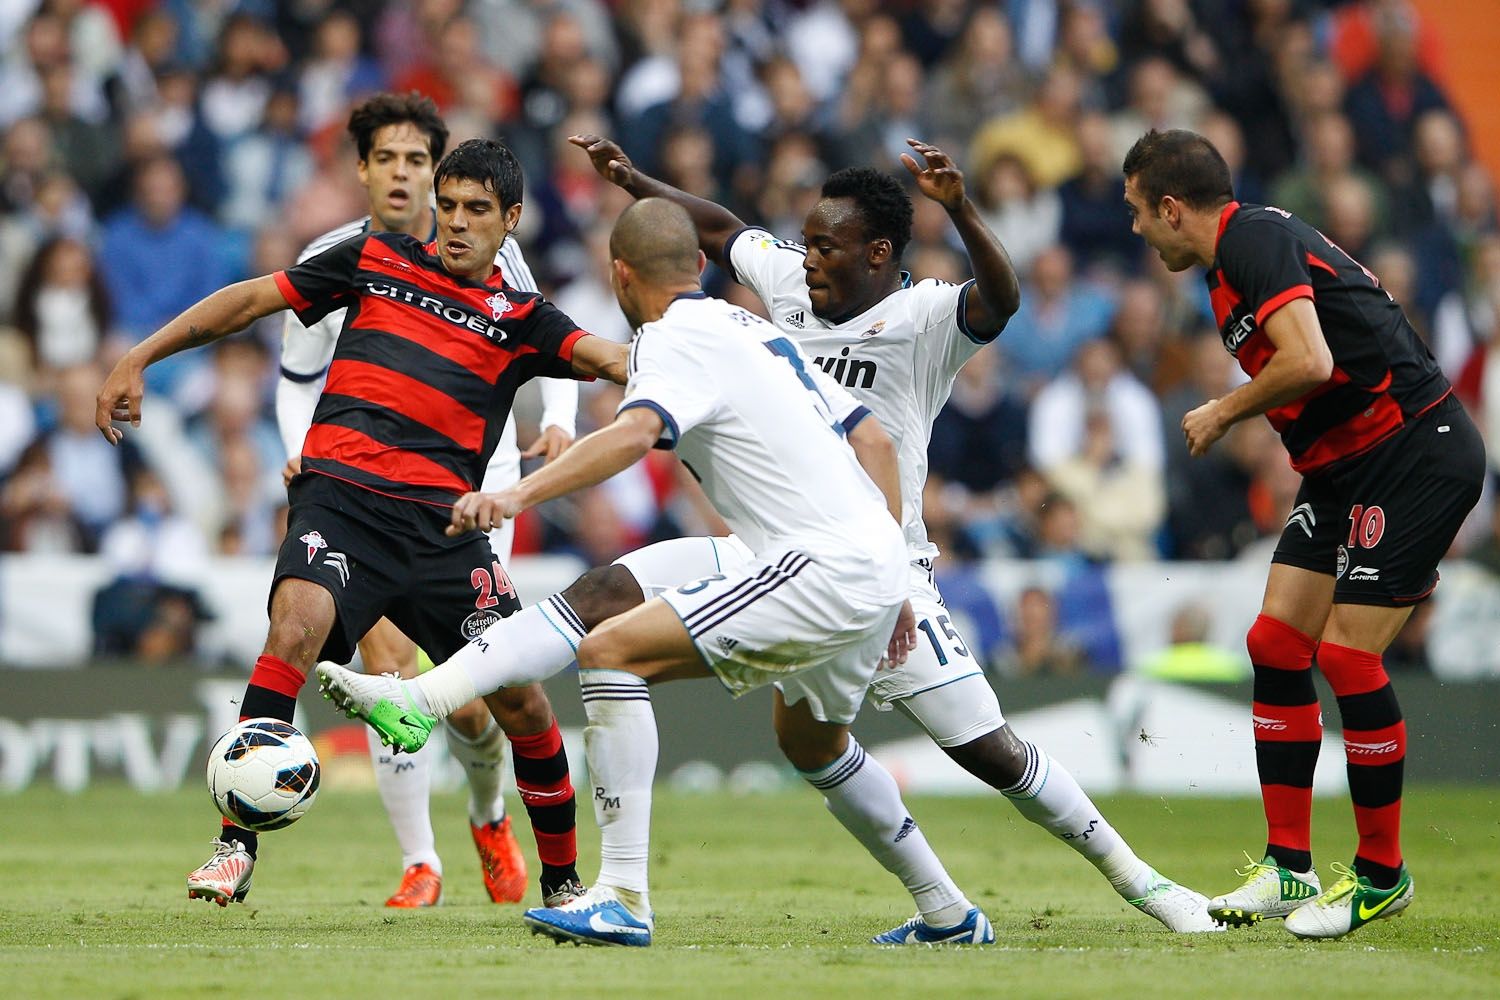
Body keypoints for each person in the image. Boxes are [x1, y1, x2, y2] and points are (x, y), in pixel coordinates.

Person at [326, 135, 1221, 935]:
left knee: (983, 747)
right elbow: (733, 250)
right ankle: (425, 700)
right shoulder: (764, 307)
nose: (808, 260)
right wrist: (632, 179)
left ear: (879, 253)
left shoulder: (916, 319)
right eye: (807, 244)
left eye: (828, 247)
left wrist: (514, 496)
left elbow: (993, 307)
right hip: (783, 546)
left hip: (856, 561)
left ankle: (1143, 881)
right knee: (711, 674)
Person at [320, 197, 996, 947]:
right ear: (699, 265)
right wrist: (896, 573)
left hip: (820, 565)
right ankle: (949, 912)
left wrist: (515, 495)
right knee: (789, 727)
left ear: (619, 274)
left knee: (610, 651)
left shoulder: (671, 338)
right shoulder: (749, 326)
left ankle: (622, 895)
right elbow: (873, 438)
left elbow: (636, 432)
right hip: (859, 561)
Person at [95, 137, 629, 910]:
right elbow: (250, 301)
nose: (457, 222)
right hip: (340, 505)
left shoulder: (522, 317)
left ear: (511, 218)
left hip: (444, 535)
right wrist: (140, 356)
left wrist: (697, 369)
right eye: (449, 205)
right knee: (293, 628)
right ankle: (234, 850)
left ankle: (563, 882)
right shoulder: (374, 258)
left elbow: (607, 358)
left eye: (477, 209)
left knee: (522, 705)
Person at [1122, 128, 1486, 939]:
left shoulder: (1253, 239)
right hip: (1345, 465)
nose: (1136, 229)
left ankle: (1382, 875)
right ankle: (1290, 867)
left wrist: (1223, 411)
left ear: (1172, 208)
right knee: (1277, 642)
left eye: (1138, 211)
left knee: (1349, 656)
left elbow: (1310, 360)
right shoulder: (1224, 271)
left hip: (1414, 448)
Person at [276, 92, 578, 908]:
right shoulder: (342, 256)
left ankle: (487, 813)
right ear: (363, 170)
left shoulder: (494, 251)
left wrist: (557, 420)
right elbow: (297, 376)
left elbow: (549, 337)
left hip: (471, 491)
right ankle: (421, 861)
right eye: (389, 159)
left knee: (475, 698)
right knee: (387, 666)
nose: (404, 175)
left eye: (418, 159)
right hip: (365, 487)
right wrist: (298, 451)